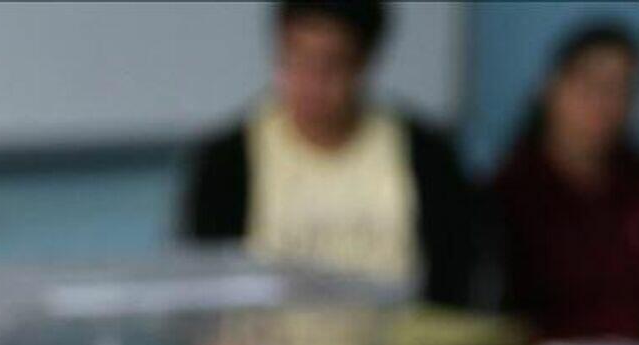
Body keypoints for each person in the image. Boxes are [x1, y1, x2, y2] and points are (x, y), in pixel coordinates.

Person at [184, 0, 476, 306]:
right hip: (274, 335)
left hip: (398, 333)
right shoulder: (227, 163)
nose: (312, 82)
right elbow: (208, 291)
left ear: (364, 63)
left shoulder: (427, 157)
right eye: (296, 60)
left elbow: (455, 284)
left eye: (331, 65)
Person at [491, 21, 639, 340]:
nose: (603, 103)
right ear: (551, 87)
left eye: (621, 89)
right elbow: (496, 314)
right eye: (589, 84)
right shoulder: (509, 193)